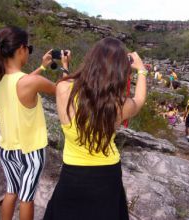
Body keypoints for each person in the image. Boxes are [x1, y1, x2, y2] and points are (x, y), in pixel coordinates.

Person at [43, 37, 147, 220]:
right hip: (107, 176)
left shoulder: (63, 89)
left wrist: (65, 66)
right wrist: (142, 71)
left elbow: (68, 85)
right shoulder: (118, 105)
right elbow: (138, 101)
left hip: (72, 175)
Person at [0, 26, 65, 220]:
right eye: (28, 49)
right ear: (21, 49)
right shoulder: (32, 82)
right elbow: (62, 91)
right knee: (26, 197)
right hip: (30, 150)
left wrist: (42, 67)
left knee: (11, 191)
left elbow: (18, 83)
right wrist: (65, 66)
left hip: (6, 149)